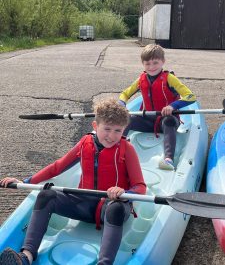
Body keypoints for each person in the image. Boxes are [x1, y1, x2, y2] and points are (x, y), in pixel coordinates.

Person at [0, 99, 146, 265]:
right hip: (83, 204)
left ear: (124, 129)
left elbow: (140, 187)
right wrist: (25, 181)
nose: (112, 136)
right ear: (95, 125)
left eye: (118, 131)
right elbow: (57, 167)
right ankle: (26, 256)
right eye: (107, 129)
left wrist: (124, 194)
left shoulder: (127, 149)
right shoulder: (85, 143)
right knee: (46, 195)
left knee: (116, 208)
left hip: (112, 208)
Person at [119, 44, 196, 171]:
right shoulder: (141, 79)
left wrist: (173, 106)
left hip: (167, 121)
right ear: (143, 64)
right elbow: (125, 94)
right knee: (127, 119)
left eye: (155, 63)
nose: (151, 67)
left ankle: (168, 159)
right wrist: (122, 105)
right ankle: (117, 148)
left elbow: (190, 96)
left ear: (163, 62)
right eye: (147, 64)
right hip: (149, 120)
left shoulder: (170, 79)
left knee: (169, 121)